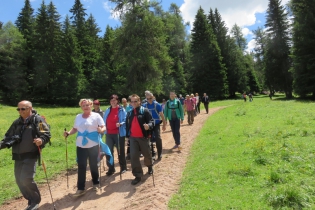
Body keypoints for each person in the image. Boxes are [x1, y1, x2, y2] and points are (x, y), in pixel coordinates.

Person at [0, 100, 51, 210]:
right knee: (19, 180)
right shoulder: (16, 122)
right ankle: (31, 200)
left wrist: (41, 140)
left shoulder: (38, 120)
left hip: (31, 154)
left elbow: (46, 134)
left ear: (30, 108)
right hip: (18, 156)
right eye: (18, 109)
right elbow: (8, 137)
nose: (20, 111)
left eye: (23, 108)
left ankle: (35, 201)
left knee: (26, 178)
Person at [63, 99, 112, 197]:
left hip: (93, 144)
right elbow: (75, 128)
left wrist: (101, 129)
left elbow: (104, 127)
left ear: (91, 105)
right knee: (81, 165)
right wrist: (68, 133)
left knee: (93, 164)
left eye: (87, 105)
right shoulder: (78, 117)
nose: (85, 107)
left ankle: (96, 182)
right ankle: (80, 188)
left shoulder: (96, 116)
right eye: (83, 105)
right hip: (81, 144)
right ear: (81, 107)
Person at [125, 94, 154, 185]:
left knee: (147, 154)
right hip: (133, 138)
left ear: (139, 101)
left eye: (135, 101)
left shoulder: (144, 111)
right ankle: (138, 175)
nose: (133, 103)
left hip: (143, 137)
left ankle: (149, 166)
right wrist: (127, 137)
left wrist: (148, 126)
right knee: (134, 156)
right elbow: (127, 126)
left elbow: (152, 121)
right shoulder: (129, 112)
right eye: (132, 101)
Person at [103, 95, 127, 176]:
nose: (113, 102)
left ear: (117, 101)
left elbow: (126, 119)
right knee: (108, 151)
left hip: (119, 133)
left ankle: (123, 167)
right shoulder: (107, 110)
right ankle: (111, 168)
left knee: (120, 151)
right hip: (109, 134)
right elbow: (104, 120)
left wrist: (120, 124)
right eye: (111, 100)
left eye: (114, 100)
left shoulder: (121, 110)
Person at [143, 91, 166, 160]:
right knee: (149, 139)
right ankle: (152, 154)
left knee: (157, 137)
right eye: (148, 99)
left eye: (150, 98)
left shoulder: (157, 105)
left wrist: (164, 124)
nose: (149, 100)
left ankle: (160, 153)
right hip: (149, 125)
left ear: (153, 97)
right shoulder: (144, 106)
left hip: (156, 124)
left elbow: (161, 115)